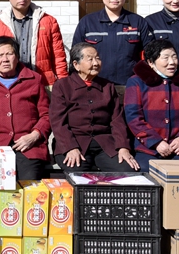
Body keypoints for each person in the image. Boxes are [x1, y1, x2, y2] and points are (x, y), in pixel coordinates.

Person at [50, 43, 140, 173]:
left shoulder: (107, 86)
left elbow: (117, 120)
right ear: (76, 64)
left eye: (97, 58)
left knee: (127, 170)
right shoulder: (62, 86)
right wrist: (70, 148)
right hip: (75, 142)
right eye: (90, 59)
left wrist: (123, 147)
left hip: (105, 144)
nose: (96, 63)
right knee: (77, 174)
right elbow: (58, 121)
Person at [0, 36, 51, 180]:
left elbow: (47, 115)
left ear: (17, 57)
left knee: (29, 185)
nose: (5, 59)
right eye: (0, 55)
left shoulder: (34, 79)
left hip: (28, 147)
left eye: (9, 54)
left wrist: (34, 135)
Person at [124, 39, 179, 171]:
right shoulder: (137, 82)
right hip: (149, 148)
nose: (172, 62)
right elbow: (134, 118)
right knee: (147, 175)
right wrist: (155, 142)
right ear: (151, 62)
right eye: (165, 58)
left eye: (174, 57)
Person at [72, 0, 152, 88]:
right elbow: (76, 55)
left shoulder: (138, 22)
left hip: (130, 85)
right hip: (95, 85)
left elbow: (150, 55)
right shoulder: (87, 22)